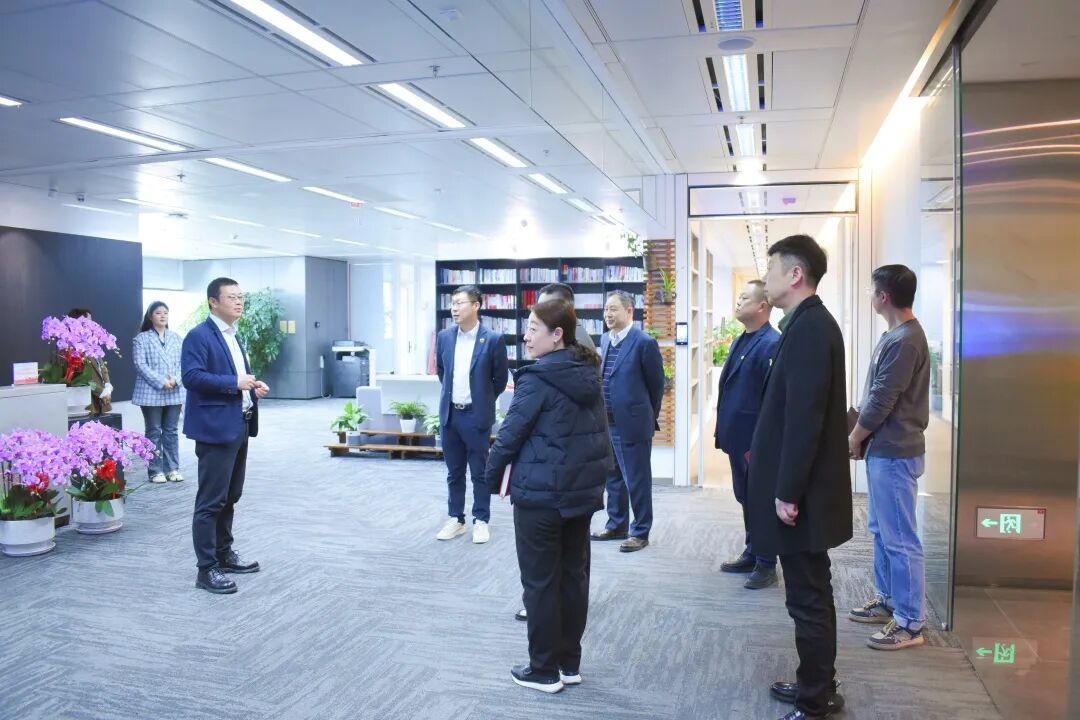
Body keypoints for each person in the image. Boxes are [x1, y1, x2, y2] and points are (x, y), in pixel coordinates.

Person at [748, 235, 852, 720]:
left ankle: (815, 701)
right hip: (804, 492)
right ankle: (818, 683)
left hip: (803, 496)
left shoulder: (811, 328)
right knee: (811, 593)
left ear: (795, 274)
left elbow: (804, 418)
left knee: (807, 598)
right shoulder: (805, 324)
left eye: (771, 270)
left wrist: (787, 491)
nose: (765, 279)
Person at [484, 299, 611, 694]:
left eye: (533, 329)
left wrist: (489, 480)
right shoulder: (587, 372)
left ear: (557, 335)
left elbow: (509, 436)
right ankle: (569, 664)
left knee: (540, 582)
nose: (525, 336)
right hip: (580, 494)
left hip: (540, 496)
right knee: (573, 578)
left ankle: (543, 670)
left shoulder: (537, 379)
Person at [848, 264, 930, 651]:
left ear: (883, 297)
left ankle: (911, 622)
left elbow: (883, 398)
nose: (870, 296)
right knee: (882, 531)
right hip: (883, 450)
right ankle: (890, 601)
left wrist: (854, 437)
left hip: (896, 453)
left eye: (871, 290)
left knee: (900, 539)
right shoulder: (894, 336)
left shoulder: (906, 340)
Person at [181, 278, 269, 595]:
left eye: (241, 296)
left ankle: (224, 554)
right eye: (232, 297)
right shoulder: (199, 336)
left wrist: (252, 388)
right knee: (211, 500)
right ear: (213, 302)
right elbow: (191, 377)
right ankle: (206, 569)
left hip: (239, 424)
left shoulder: (232, 335)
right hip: (215, 429)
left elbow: (235, 379)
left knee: (231, 496)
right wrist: (234, 382)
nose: (239, 302)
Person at [515, 282, 596, 622]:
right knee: (566, 563)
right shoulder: (574, 349)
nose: (529, 335)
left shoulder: (578, 347)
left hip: (559, 468)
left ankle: (548, 614)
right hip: (573, 468)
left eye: (537, 324)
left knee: (559, 563)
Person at [714, 280, 781, 589]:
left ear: (762, 306)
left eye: (744, 298)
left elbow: (772, 400)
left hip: (756, 441)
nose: (738, 302)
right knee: (746, 496)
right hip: (738, 437)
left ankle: (766, 563)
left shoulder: (771, 342)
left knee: (761, 499)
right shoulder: (743, 338)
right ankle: (753, 551)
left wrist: (762, 442)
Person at [434, 285, 509, 544]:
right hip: (450, 416)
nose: (454, 308)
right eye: (452, 303)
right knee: (454, 471)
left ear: (476, 306)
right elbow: (442, 372)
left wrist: (482, 400)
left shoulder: (493, 339)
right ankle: (456, 518)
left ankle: (481, 520)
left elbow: (500, 380)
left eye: (460, 303)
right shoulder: (444, 337)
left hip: (476, 416)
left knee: (479, 471)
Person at [592, 290, 664, 553]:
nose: (608, 314)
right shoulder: (605, 339)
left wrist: (644, 416)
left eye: (613, 309)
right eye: (606, 309)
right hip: (607, 421)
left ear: (629, 311)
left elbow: (656, 386)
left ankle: (640, 531)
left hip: (632, 423)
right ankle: (616, 525)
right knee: (613, 479)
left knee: (637, 480)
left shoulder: (643, 342)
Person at [132, 301, 185, 484]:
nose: (163, 316)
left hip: (174, 390)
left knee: (171, 430)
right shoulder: (141, 339)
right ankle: (155, 471)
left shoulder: (176, 338)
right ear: (150, 316)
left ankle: (172, 469)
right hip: (151, 391)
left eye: (165, 312)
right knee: (154, 431)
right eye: (158, 313)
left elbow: (184, 363)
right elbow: (140, 364)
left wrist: (175, 380)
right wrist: (162, 381)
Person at [67, 308, 113, 415]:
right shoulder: (71, 348)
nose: (92, 324)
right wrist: (101, 392)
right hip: (87, 402)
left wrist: (107, 386)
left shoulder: (92, 343)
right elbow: (82, 378)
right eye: (88, 321)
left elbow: (102, 367)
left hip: (102, 400)